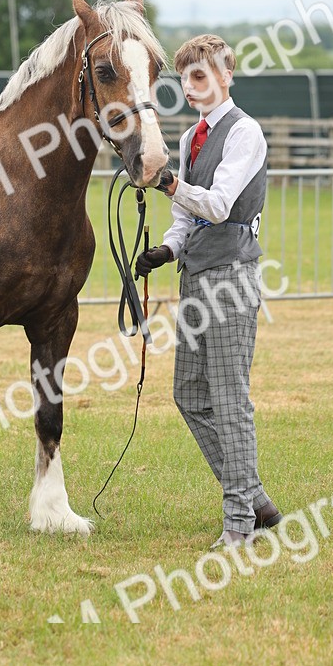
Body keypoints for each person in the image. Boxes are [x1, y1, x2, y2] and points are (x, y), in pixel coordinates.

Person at [135, 35, 283, 548]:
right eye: (185, 80)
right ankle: (254, 497)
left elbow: (218, 205)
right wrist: (166, 250)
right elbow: (186, 219)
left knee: (228, 399)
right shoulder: (191, 138)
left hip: (232, 278)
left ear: (226, 77)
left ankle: (239, 522)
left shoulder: (246, 134)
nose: (191, 89)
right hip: (196, 274)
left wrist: (171, 184)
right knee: (188, 394)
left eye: (200, 77)